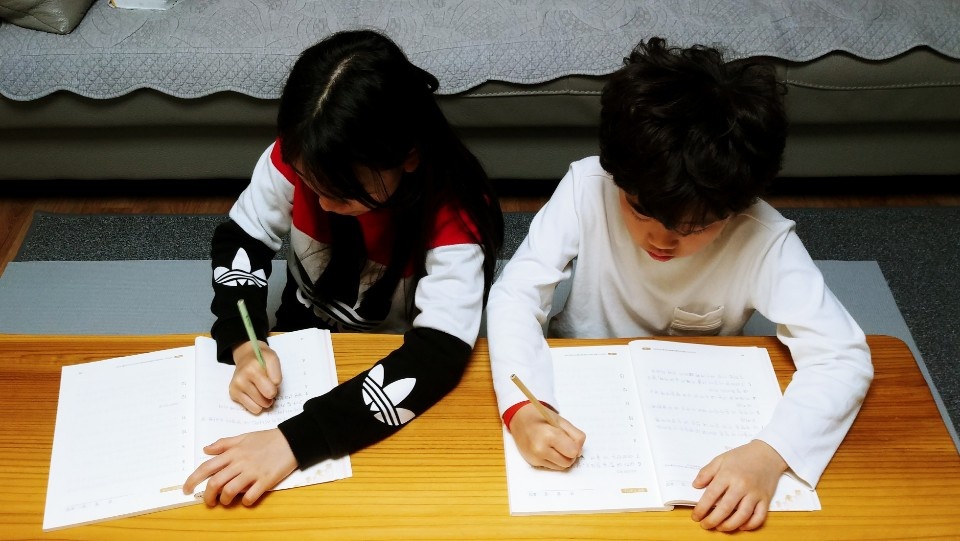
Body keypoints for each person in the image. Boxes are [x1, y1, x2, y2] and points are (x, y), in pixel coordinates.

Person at [486, 37, 873, 532]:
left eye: (694, 228)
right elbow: (516, 294)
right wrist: (523, 409)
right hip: (581, 385)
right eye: (641, 211)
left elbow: (842, 356)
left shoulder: (763, 238)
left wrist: (769, 453)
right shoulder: (588, 186)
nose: (661, 240)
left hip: (701, 409)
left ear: (738, 206)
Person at [183, 29, 504, 507]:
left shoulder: (455, 214)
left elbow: (436, 355)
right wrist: (244, 342)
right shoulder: (300, 154)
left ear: (407, 157)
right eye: (311, 185)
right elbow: (243, 239)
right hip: (301, 330)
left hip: (395, 349)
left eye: (341, 193)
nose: (323, 204)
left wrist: (293, 444)